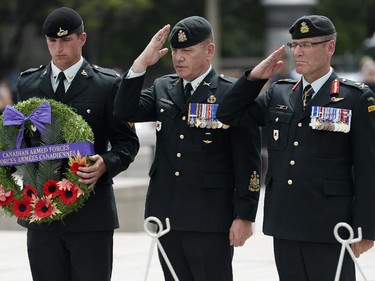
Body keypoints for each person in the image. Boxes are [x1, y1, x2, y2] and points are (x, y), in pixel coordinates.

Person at [216, 15, 375, 281]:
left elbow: (369, 168)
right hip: (286, 223)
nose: (298, 51)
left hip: (331, 226)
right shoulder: (279, 93)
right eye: (295, 45)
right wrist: (255, 77)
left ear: (330, 48)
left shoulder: (355, 98)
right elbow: (228, 114)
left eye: (308, 44)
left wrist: (367, 229)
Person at [114, 16, 261, 281]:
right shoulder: (163, 87)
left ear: (209, 51)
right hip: (167, 215)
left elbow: (248, 160)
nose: (179, 58)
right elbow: (125, 110)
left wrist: (245, 215)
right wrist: (140, 65)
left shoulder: (231, 94)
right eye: (176, 51)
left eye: (187, 51)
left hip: (211, 219)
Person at [16, 7, 139, 281]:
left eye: (66, 40)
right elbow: (19, 141)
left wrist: (106, 164)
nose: (58, 48)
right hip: (41, 210)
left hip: (91, 214)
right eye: (52, 41)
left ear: (81, 39)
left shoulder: (107, 84)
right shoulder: (29, 84)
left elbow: (127, 143)